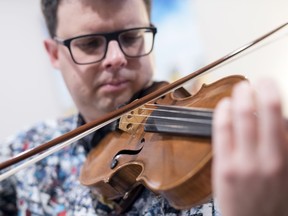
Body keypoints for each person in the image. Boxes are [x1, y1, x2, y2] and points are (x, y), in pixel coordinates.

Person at [0, 0, 287, 215]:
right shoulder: (26, 153)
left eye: (131, 37)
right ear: (53, 53)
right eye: (89, 43)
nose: (116, 58)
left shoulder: (228, 160)